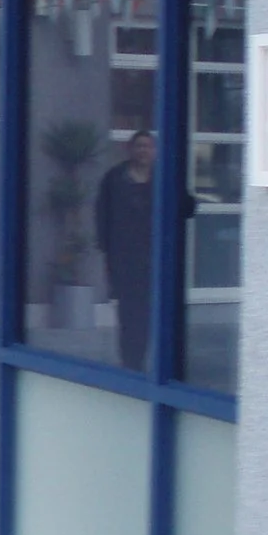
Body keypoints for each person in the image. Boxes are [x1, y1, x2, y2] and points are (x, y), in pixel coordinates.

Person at [93, 129, 158, 372]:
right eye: (139, 146)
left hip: (154, 258)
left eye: (148, 146)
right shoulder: (115, 178)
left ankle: (148, 359)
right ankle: (131, 361)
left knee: (150, 311)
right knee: (129, 312)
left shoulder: (163, 178)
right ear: (130, 150)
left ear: (154, 151)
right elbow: (102, 213)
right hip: (124, 258)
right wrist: (105, 246)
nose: (144, 151)